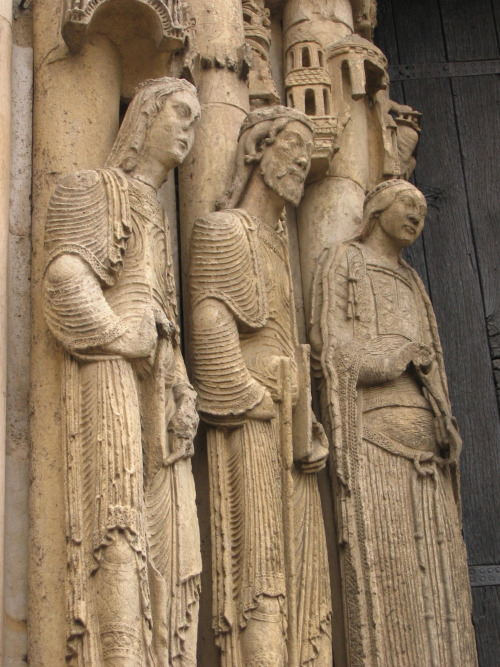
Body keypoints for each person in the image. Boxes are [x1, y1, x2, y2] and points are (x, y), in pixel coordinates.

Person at [43, 77, 202, 666]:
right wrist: (116, 335)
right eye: (180, 113)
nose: (189, 129)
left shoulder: (158, 217)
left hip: (159, 396)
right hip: (110, 377)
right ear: (142, 119)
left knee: (170, 545)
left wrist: (183, 388)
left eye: (197, 118)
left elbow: (162, 315)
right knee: (118, 528)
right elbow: (64, 277)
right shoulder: (96, 187)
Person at [310, 178, 478, 666]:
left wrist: (444, 421)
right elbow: (333, 350)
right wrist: (392, 358)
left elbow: (434, 369)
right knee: (394, 581)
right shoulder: (346, 261)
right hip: (376, 447)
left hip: (428, 459)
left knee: (442, 589)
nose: (416, 215)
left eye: (422, 210)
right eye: (407, 203)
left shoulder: (412, 281)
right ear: (376, 208)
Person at [190, 106, 332, 667]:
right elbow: (210, 326)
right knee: (260, 567)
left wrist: (307, 419)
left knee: (303, 573)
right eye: (292, 144)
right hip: (252, 419)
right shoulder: (226, 229)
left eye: (308, 149)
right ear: (255, 150)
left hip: (288, 421)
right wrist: (254, 396)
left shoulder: (279, 247)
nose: (302, 159)